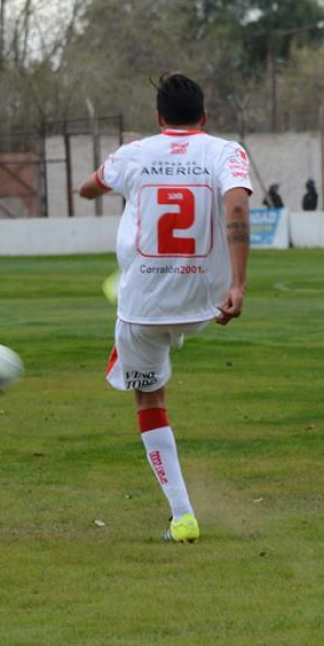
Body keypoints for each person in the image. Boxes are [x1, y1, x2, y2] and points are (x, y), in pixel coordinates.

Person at [79, 73, 252, 544]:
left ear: (158, 118)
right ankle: (181, 516)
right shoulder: (226, 151)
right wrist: (238, 283)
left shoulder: (133, 155)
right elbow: (236, 205)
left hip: (144, 309)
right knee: (158, 352)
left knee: (150, 400)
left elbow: (86, 189)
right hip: (206, 302)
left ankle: (182, 517)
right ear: (205, 117)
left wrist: (115, 164)